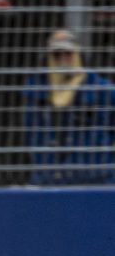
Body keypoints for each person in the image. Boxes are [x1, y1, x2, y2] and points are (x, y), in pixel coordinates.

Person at [23, 29, 115, 184]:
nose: (63, 59)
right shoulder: (36, 89)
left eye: (68, 53)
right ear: (50, 58)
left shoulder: (101, 89)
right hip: (49, 176)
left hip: (95, 175)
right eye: (57, 55)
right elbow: (31, 130)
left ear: (77, 54)